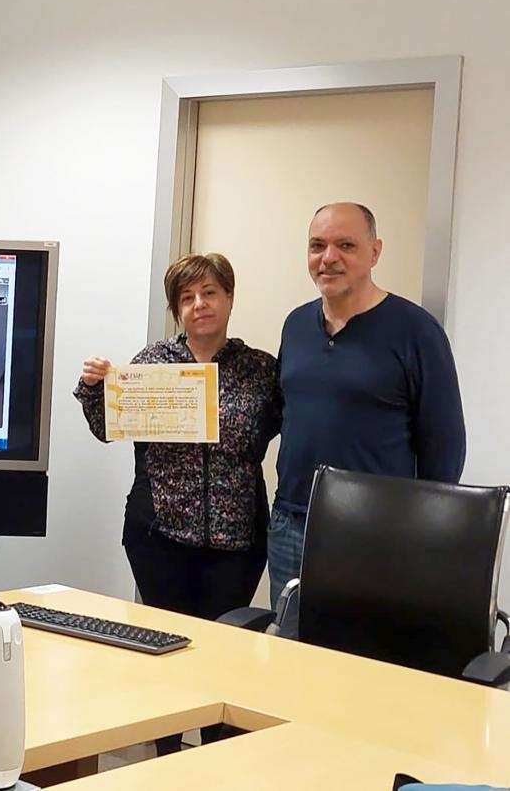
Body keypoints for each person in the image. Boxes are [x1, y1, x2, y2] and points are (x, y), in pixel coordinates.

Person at [75, 253, 278, 755]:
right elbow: (108, 430)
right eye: (186, 298)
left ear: (229, 298)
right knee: (165, 646)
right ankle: (164, 755)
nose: (199, 305)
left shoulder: (260, 370)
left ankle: (219, 755)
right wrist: (93, 389)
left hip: (237, 536)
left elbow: (286, 430)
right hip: (158, 532)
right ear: (176, 309)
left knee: (223, 650)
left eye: (209, 293)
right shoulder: (152, 363)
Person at [271, 202, 465, 639]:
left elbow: (445, 447)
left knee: (370, 671)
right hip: (292, 527)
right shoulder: (296, 325)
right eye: (317, 246)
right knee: (291, 668)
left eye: (346, 245)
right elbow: (281, 413)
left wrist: (422, 534)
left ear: (375, 252)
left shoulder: (417, 331)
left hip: (379, 535)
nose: (329, 258)